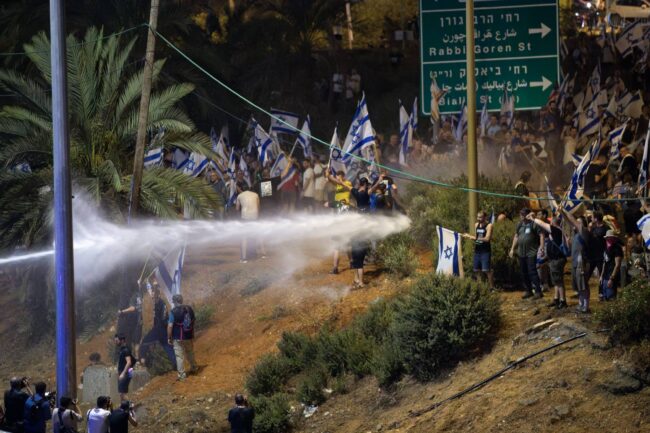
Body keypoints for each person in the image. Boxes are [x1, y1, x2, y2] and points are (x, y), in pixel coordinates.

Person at [529, 213, 568, 309]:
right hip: (554, 259)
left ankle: (563, 301)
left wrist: (533, 219)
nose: (549, 223)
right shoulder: (557, 231)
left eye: (551, 222)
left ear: (554, 223)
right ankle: (556, 299)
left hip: (557, 260)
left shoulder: (556, 230)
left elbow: (542, 224)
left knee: (558, 281)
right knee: (556, 280)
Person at [138, 281, 176, 370]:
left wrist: (157, 327)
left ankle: (143, 360)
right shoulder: (158, 301)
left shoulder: (161, 303)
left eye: (153, 294)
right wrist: (142, 284)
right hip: (163, 329)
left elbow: (163, 317)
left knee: (144, 342)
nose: (152, 295)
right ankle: (176, 364)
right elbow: (151, 292)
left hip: (160, 328)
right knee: (167, 346)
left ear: (157, 294)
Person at [509, 208, 544, 299]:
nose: (522, 216)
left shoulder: (533, 224)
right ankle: (528, 290)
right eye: (521, 214)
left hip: (531, 252)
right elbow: (516, 236)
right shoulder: (520, 224)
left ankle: (538, 291)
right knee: (524, 272)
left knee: (532, 272)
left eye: (524, 214)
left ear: (528, 215)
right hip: (521, 252)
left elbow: (541, 235)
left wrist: (541, 247)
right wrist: (512, 249)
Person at [562, 209, 590, 313]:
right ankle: (581, 303)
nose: (576, 224)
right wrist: (562, 212)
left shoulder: (584, 232)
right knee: (577, 285)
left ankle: (586, 306)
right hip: (574, 261)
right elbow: (569, 221)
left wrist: (565, 209)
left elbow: (572, 220)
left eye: (579, 222)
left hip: (581, 262)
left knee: (583, 284)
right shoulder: (576, 234)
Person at [167, 294, 197, 381]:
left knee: (179, 356)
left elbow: (170, 326)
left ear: (175, 302)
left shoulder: (173, 312)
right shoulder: (189, 308)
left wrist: (169, 337)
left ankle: (182, 375)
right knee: (190, 352)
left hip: (178, 336)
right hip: (188, 335)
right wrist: (192, 332)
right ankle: (194, 368)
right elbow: (193, 320)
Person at [462, 211, 494, 290]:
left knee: (486, 270)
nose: (478, 219)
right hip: (477, 250)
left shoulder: (489, 225)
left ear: (485, 217)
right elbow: (476, 237)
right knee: (476, 270)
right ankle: (480, 287)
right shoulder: (476, 225)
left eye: (480, 217)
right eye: (478, 217)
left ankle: (491, 287)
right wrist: (468, 236)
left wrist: (473, 238)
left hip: (485, 251)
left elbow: (487, 239)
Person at [235, 186, 264, 263]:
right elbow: (258, 207)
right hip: (255, 217)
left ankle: (244, 258)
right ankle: (263, 254)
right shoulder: (255, 195)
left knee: (244, 237)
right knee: (258, 235)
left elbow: (237, 209)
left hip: (245, 218)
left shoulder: (240, 196)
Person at [587, 211, 608, 300]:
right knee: (587, 274)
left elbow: (598, 237)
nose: (591, 219)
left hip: (600, 255)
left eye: (592, 217)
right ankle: (582, 290)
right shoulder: (593, 228)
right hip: (592, 255)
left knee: (601, 275)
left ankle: (601, 293)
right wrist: (590, 228)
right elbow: (588, 237)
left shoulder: (604, 229)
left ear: (596, 219)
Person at [601, 230, 624, 300]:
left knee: (611, 299)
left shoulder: (617, 249)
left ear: (614, 238)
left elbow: (617, 265)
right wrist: (601, 276)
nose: (609, 239)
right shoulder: (606, 247)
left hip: (612, 276)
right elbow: (604, 262)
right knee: (605, 298)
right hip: (605, 276)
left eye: (611, 237)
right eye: (608, 237)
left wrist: (611, 278)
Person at [114, 334, 133, 402]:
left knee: (122, 394)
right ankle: (124, 408)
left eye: (117, 340)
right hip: (124, 372)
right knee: (121, 393)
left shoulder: (125, 350)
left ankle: (131, 407)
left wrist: (123, 373)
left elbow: (129, 362)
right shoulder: (122, 350)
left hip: (125, 373)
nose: (115, 342)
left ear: (122, 340)